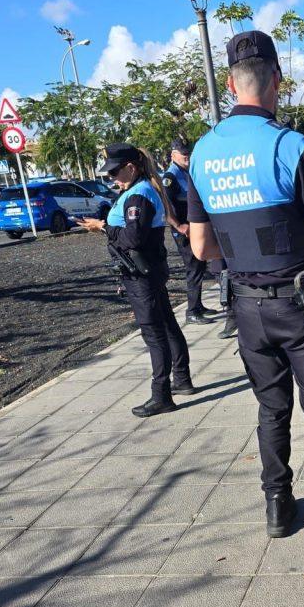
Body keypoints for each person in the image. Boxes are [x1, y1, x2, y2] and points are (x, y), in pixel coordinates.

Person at [187, 29, 304, 557]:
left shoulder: (202, 153)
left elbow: (201, 248)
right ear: (277, 79)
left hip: (246, 307)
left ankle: (277, 507)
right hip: (300, 307)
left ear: (231, 83)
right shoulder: (288, 145)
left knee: (271, 408)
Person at [76, 143, 195, 417]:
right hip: (147, 271)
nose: (112, 178)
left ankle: (161, 395)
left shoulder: (138, 196)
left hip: (142, 274)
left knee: (154, 333)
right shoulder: (137, 190)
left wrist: (103, 227)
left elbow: (133, 238)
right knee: (166, 325)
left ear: (131, 167)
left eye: (114, 172)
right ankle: (181, 379)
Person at [162, 139, 218, 325]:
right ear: (173, 155)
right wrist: (179, 226)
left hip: (194, 228)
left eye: (188, 153)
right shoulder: (170, 177)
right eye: (183, 153)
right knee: (193, 268)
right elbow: (166, 207)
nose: (187, 156)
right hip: (184, 231)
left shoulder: (186, 172)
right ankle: (191, 311)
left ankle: (198, 305)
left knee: (199, 266)